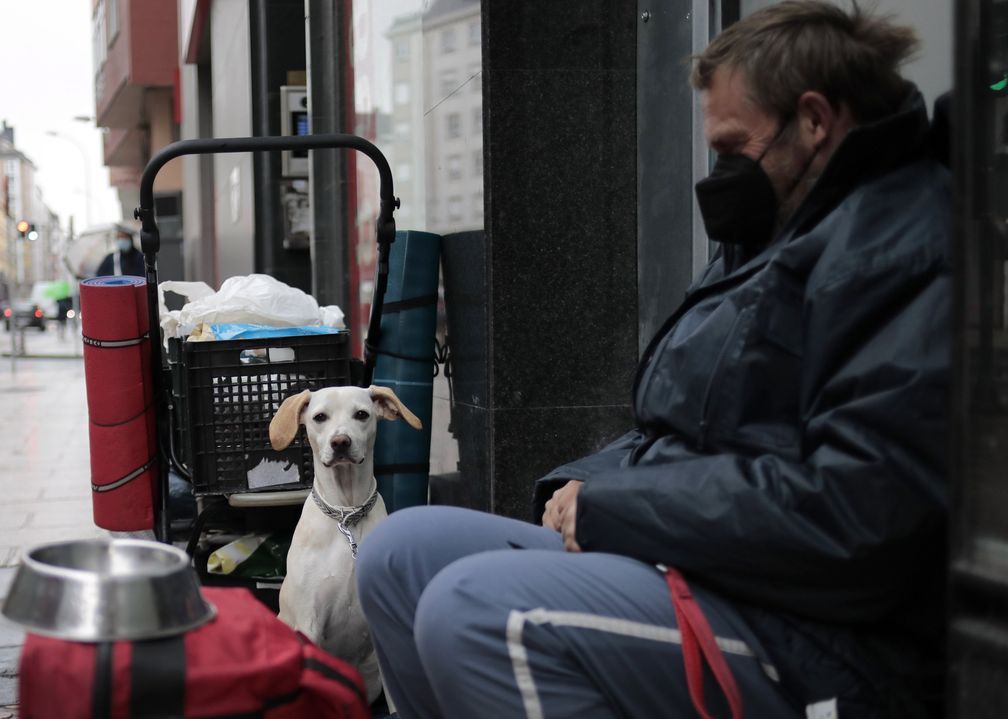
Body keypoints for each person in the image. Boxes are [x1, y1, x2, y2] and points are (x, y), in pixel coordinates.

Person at [357, 3, 949, 718]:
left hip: (814, 635)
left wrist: (616, 508)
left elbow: (857, 513)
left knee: (477, 610)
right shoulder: (774, 231)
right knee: (399, 552)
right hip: (698, 559)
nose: (723, 173)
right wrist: (579, 488)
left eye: (736, 148)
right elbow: (677, 426)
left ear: (816, 120)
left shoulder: (902, 248)